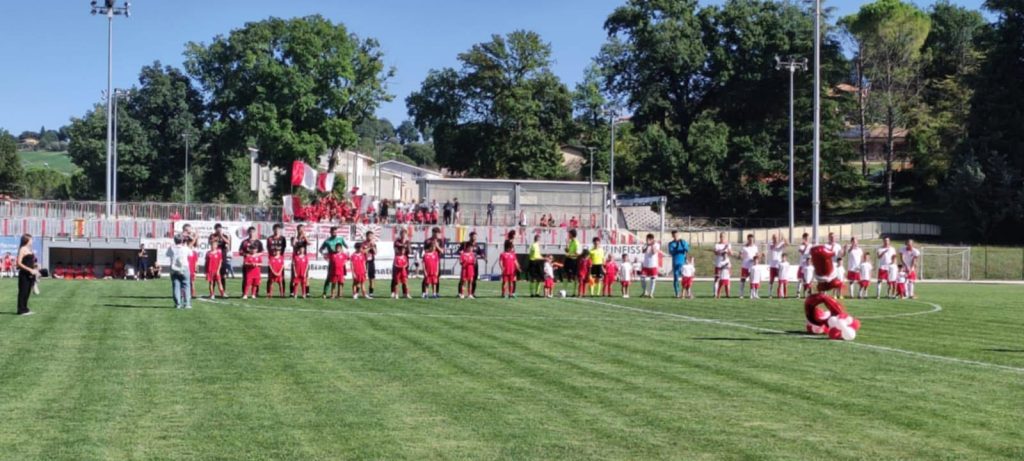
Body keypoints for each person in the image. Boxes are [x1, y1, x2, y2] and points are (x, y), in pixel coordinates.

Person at [15, 234, 39, 316]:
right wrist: (30, 269)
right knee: (23, 292)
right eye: (31, 239)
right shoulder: (22, 249)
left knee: (27, 292)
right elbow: (19, 263)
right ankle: (21, 310)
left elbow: (31, 262)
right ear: (27, 240)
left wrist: (35, 267)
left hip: (30, 274)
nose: (32, 241)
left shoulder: (29, 249)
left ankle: (25, 309)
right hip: (24, 274)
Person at [167, 234, 193, 309]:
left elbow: (167, 255)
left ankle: (178, 304)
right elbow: (191, 254)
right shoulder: (185, 248)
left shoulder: (171, 248)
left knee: (176, 285)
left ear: (174, 240)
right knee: (186, 285)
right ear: (181, 240)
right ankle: (187, 304)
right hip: (184, 267)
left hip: (174, 268)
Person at [239, 227, 264, 296]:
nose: (251, 233)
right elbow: (240, 252)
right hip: (247, 264)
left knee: (256, 278)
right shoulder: (244, 242)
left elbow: (262, 252)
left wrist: (256, 255)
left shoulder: (258, 242)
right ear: (248, 233)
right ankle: (244, 293)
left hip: (256, 264)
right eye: (250, 232)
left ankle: (255, 293)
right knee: (246, 278)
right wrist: (246, 254)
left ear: (255, 232)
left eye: (253, 232)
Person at [668, 231, 690, 299]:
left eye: (677, 235)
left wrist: (683, 245)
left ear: (679, 235)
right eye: (674, 236)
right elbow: (671, 252)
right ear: (672, 236)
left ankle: (687, 293)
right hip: (676, 262)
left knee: (686, 278)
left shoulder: (683, 242)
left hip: (683, 263)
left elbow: (687, 249)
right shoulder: (671, 244)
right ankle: (677, 293)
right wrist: (677, 247)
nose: (676, 237)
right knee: (676, 278)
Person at [290, 224, 310, 297]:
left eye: (302, 229)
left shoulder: (305, 237)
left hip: (303, 258)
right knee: (294, 276)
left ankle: (307, 292)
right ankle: (292, 292)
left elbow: (309, 243)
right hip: (296, 258)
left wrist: (304, 236)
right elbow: (293, 244)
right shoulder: (293, 237)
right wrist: (295, 236)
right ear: (297, 230)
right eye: (299, 229)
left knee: (306, 276)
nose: (301, 230)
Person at [712, 233, 733, 297]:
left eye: (723, 237)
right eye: (721, 237)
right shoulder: (717, 245)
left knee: (727, 279)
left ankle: (728, 294)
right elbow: (716, 252)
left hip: (727, 265)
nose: (722, 238)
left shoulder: (728, 244)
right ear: (719, 237)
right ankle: (715, 293)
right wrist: (724, 249)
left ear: (725, 237)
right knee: (717, 278)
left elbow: (731, 253)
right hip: (719, 264)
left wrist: (729, 250)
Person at [640, 234, 659, 298]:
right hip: (645, 265)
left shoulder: (656, 245)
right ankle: (645, 292)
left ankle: (651, 293)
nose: (648, 240)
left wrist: (652, 245)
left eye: (649, 239)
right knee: (642, 278)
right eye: (647, 239)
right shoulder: (645, 244)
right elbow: (643, 251)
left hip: (653, 265)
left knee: (653, 279)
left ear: (652, 239)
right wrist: (648, 245)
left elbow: (654, 252)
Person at [739, 234, 758, 298]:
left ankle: (752, 294)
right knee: (743, 280)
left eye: (752, 240)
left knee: (753, 281)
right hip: (745, 266)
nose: (751, 241)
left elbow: (756, 256)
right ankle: (741, 294)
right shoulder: (744, 247)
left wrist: (757, 258)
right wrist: (741, 256)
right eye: (750, 240)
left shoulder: (755, 247)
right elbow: (740, 255)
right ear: (748, 239)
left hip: (752, 267)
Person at [563, 229, 580, 296]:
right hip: (568, 260)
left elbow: (577, 254)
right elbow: (567, 251)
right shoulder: (570, 241)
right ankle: (564, 291)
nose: (568, 235)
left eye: (569, 234)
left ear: (572, 234)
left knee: (575, 276)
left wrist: (569, 255)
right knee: (565, 275)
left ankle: (574, 292)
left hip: (574, 261)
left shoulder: (576, 242)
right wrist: (566, 244)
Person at [363, 231, 378, 298]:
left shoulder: (373, 244)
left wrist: (373, 247)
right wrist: (369, 247)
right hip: (364, 262)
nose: (370, 237)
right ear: (366, 236)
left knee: (371, 278)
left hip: (371, 262)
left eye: (371, 236)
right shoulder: (363, 243)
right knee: (363, 277)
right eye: (369, 236)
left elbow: (375, 252)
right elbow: (363, 252)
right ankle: (359, 292)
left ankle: (371, 292)